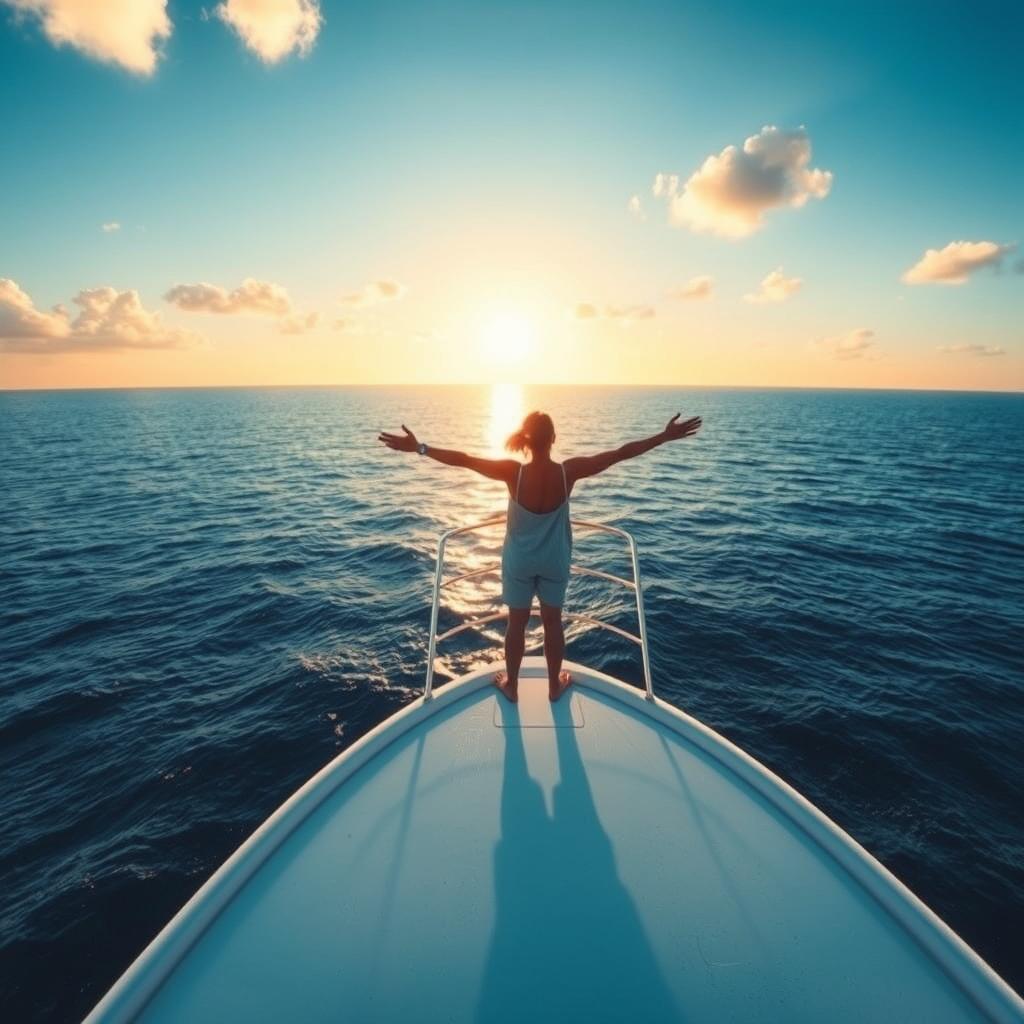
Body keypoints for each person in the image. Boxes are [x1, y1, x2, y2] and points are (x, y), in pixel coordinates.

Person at [378, 410, 702, 703]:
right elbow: (618, 455)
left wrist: (419, 448)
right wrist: (663, 436)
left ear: (527, 441)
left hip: (519, 560)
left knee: (516, 626)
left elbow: (464, 459)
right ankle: (553, 687)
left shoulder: (512, 472)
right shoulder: (568, 472)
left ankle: (512, 686)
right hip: (554, 560)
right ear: (554, 439)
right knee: (553, 624)